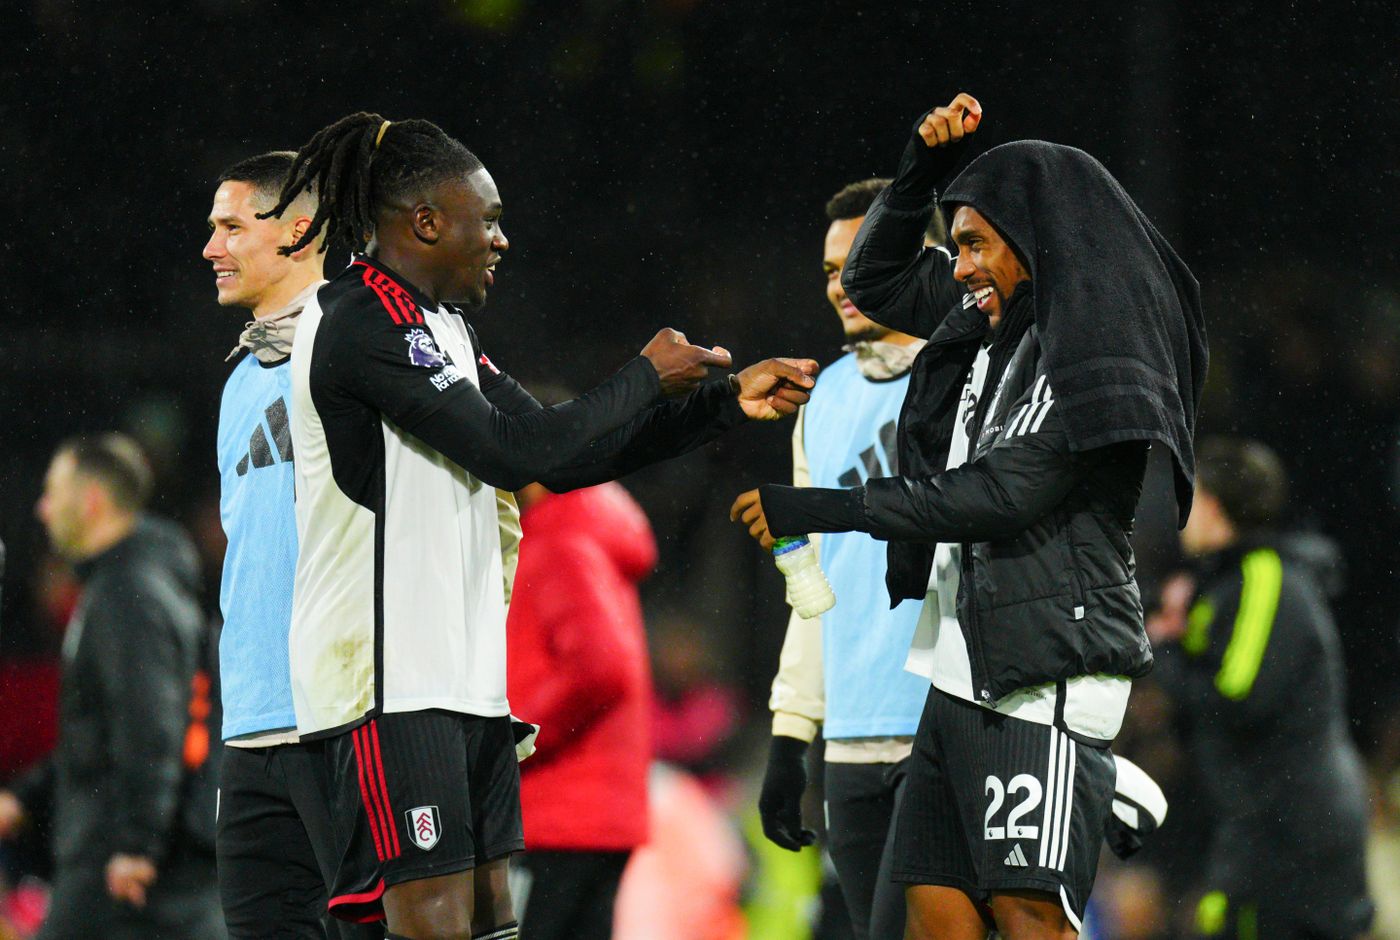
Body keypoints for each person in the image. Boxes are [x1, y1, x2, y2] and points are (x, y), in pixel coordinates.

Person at [259, 112, 818, 940]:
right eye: (487, 220)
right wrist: (641, 375)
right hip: (388, 681)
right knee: (431, 919)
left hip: (466, 680)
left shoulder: (444, 330)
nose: (501, 240)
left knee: (492, 918)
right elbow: (508, 449)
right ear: (426, 222)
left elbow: (557, 456)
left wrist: (721, 405)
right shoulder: (359, 319)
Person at [733, 92, 1206, 939]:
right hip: (960, 672)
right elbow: (874, 280)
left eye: (976, 244)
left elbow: (996, 495)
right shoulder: (988, 321)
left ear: (1033, 237)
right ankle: (1099, 786)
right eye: (954, 247)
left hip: (1045, 677)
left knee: (1029, 920)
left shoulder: (1094, 351)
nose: (958, 268)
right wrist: (918, 170)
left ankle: (1092, 776)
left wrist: (819, 508)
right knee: (936, 917)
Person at [758, 178, 945, 940]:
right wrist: (789, 736)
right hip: (850, 740)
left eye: (858, 266)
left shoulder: (967, 380)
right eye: (831, 271)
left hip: (945, 726)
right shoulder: (819, 401)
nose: (840, 286)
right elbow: (811, 580)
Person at [204, 151, 382, 939]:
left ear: (299, 231)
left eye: (231, 227)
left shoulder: (365, 349)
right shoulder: (239, 379)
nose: (211, 247)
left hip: (342, 715)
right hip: (250, 727)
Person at [1148, 437, 1373, 939]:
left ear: (1213, 505)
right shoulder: (1229, 581)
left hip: (1293, 830)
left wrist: (1165, 648)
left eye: (1192, 498)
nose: (1183, 515)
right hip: (1261, 822)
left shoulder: (1264, 576)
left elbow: (1237, 699)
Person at [0, 435, 223, 938]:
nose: (42, 508)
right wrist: (27, 797)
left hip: (124, 865)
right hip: (132, 853)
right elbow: (101, 735)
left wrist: (137, 845)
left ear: (92, 500)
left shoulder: (128, 594)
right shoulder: (128, 583)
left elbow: (151, 725)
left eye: (53, 492)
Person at [505, 472, 657, 939]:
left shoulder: (557, 535)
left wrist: (511, 743)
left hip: (556, 810)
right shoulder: (584, 528)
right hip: (594, 811)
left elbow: (600, 666)